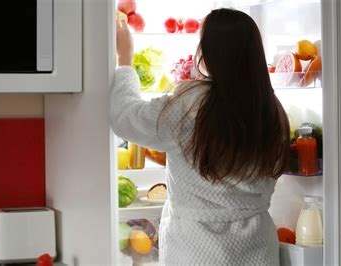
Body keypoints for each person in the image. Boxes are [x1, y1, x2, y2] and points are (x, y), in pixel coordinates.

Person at [111, 8, 290, 265]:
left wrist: (125, 59)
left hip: (195, 249)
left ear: (211, 53)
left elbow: (125, 117)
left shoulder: (190, 104)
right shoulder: (271, 108)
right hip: (257, 247)